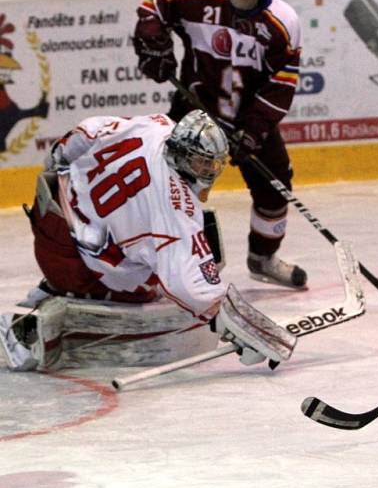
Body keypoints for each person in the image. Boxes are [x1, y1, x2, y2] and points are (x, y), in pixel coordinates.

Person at [0, 111, 294, 371]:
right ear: (180, 153)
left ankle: (49, 288)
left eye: (212, 165)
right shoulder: (175, 208)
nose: (207, 172)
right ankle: (43, 323)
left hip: (49, 218)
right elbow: (194, 290)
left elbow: (89, 129)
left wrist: (59, 154)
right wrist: (244, 331)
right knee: (155, 285)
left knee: (189, 241)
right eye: (201, 163)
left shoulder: (157, 126)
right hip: (74, 264)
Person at [133, 0, 307, 289]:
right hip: (195, 114)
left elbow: (282, 83)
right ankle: (167, 264)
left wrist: (255, 130)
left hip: (248, 120)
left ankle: (262, 259)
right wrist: (155, 49)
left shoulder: (282, 22)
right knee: (173, 190)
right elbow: (153, 11)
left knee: (275, 190)